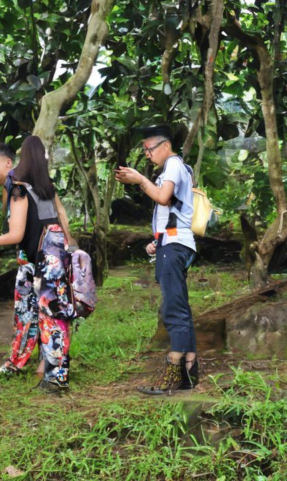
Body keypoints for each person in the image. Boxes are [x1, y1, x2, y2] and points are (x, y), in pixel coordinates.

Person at [0, 136, 76, 392]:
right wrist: (71, 247)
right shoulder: (45, 186)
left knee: (39, 315)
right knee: (55, 316)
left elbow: (15, 234)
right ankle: (51, 370)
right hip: (55, 260)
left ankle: (51, 376)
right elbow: (61, 218)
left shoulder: (18, 187)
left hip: (38, 262)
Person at [115, 124, 199, 395]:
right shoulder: (176, 169)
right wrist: (158, 241)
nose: (147, 154)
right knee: (178, 306)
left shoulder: (174, 164)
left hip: (175, 245)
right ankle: (189, 369)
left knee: (173, 309)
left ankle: (174, 368)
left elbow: (162, 198)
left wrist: (140, 180)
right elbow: (172, 208)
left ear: (165, 146)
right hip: (173, 242)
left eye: (149, 149)